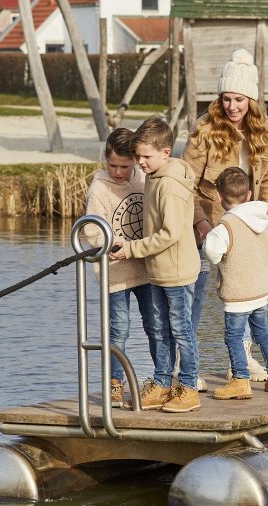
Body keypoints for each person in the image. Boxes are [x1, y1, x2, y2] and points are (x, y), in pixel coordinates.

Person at [182, 48, 268, 384]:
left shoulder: (263, 130)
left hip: (249, 226)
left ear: (250, 100)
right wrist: (199, 222)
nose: (232, 106)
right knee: (195, 292)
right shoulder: (204, 130)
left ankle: (240, 361)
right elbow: (186, 181)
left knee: (245, 292)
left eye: (239, 99)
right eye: (226, 98)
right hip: (209, 226)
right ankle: (187, 367)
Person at [111, 116, 202, 413]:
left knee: (180, 330)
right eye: (137, 156)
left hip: (176, 271)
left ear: (165, 152)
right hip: (159, 271)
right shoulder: (154, 177)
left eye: (145, 157)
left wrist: (131, 250)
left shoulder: (170, 186)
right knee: (161, 330)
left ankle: (187, 387)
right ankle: (162, 383)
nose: (140, 162)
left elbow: (171, 233)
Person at [83, 127, 164, 409]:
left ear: (135, 161)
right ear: (106, 159)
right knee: (119, 329)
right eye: (112, 165)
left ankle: (161, 380)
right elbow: (92, 230)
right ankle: (115, 384)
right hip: (115, 270)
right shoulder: (99, 187)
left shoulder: (144, 178)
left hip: (145, 266)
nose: (118, 171)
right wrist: (113, 243)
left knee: (155, 325)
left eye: (124, 166)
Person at [204, 167, 268, 399]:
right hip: (260, 291)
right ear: (249, 194)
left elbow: (212, 253)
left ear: (220, 198)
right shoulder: (263, 222)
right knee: (263, 334)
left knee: (233, 337)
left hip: (238, 295)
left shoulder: (225, 227)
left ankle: (240, 380)